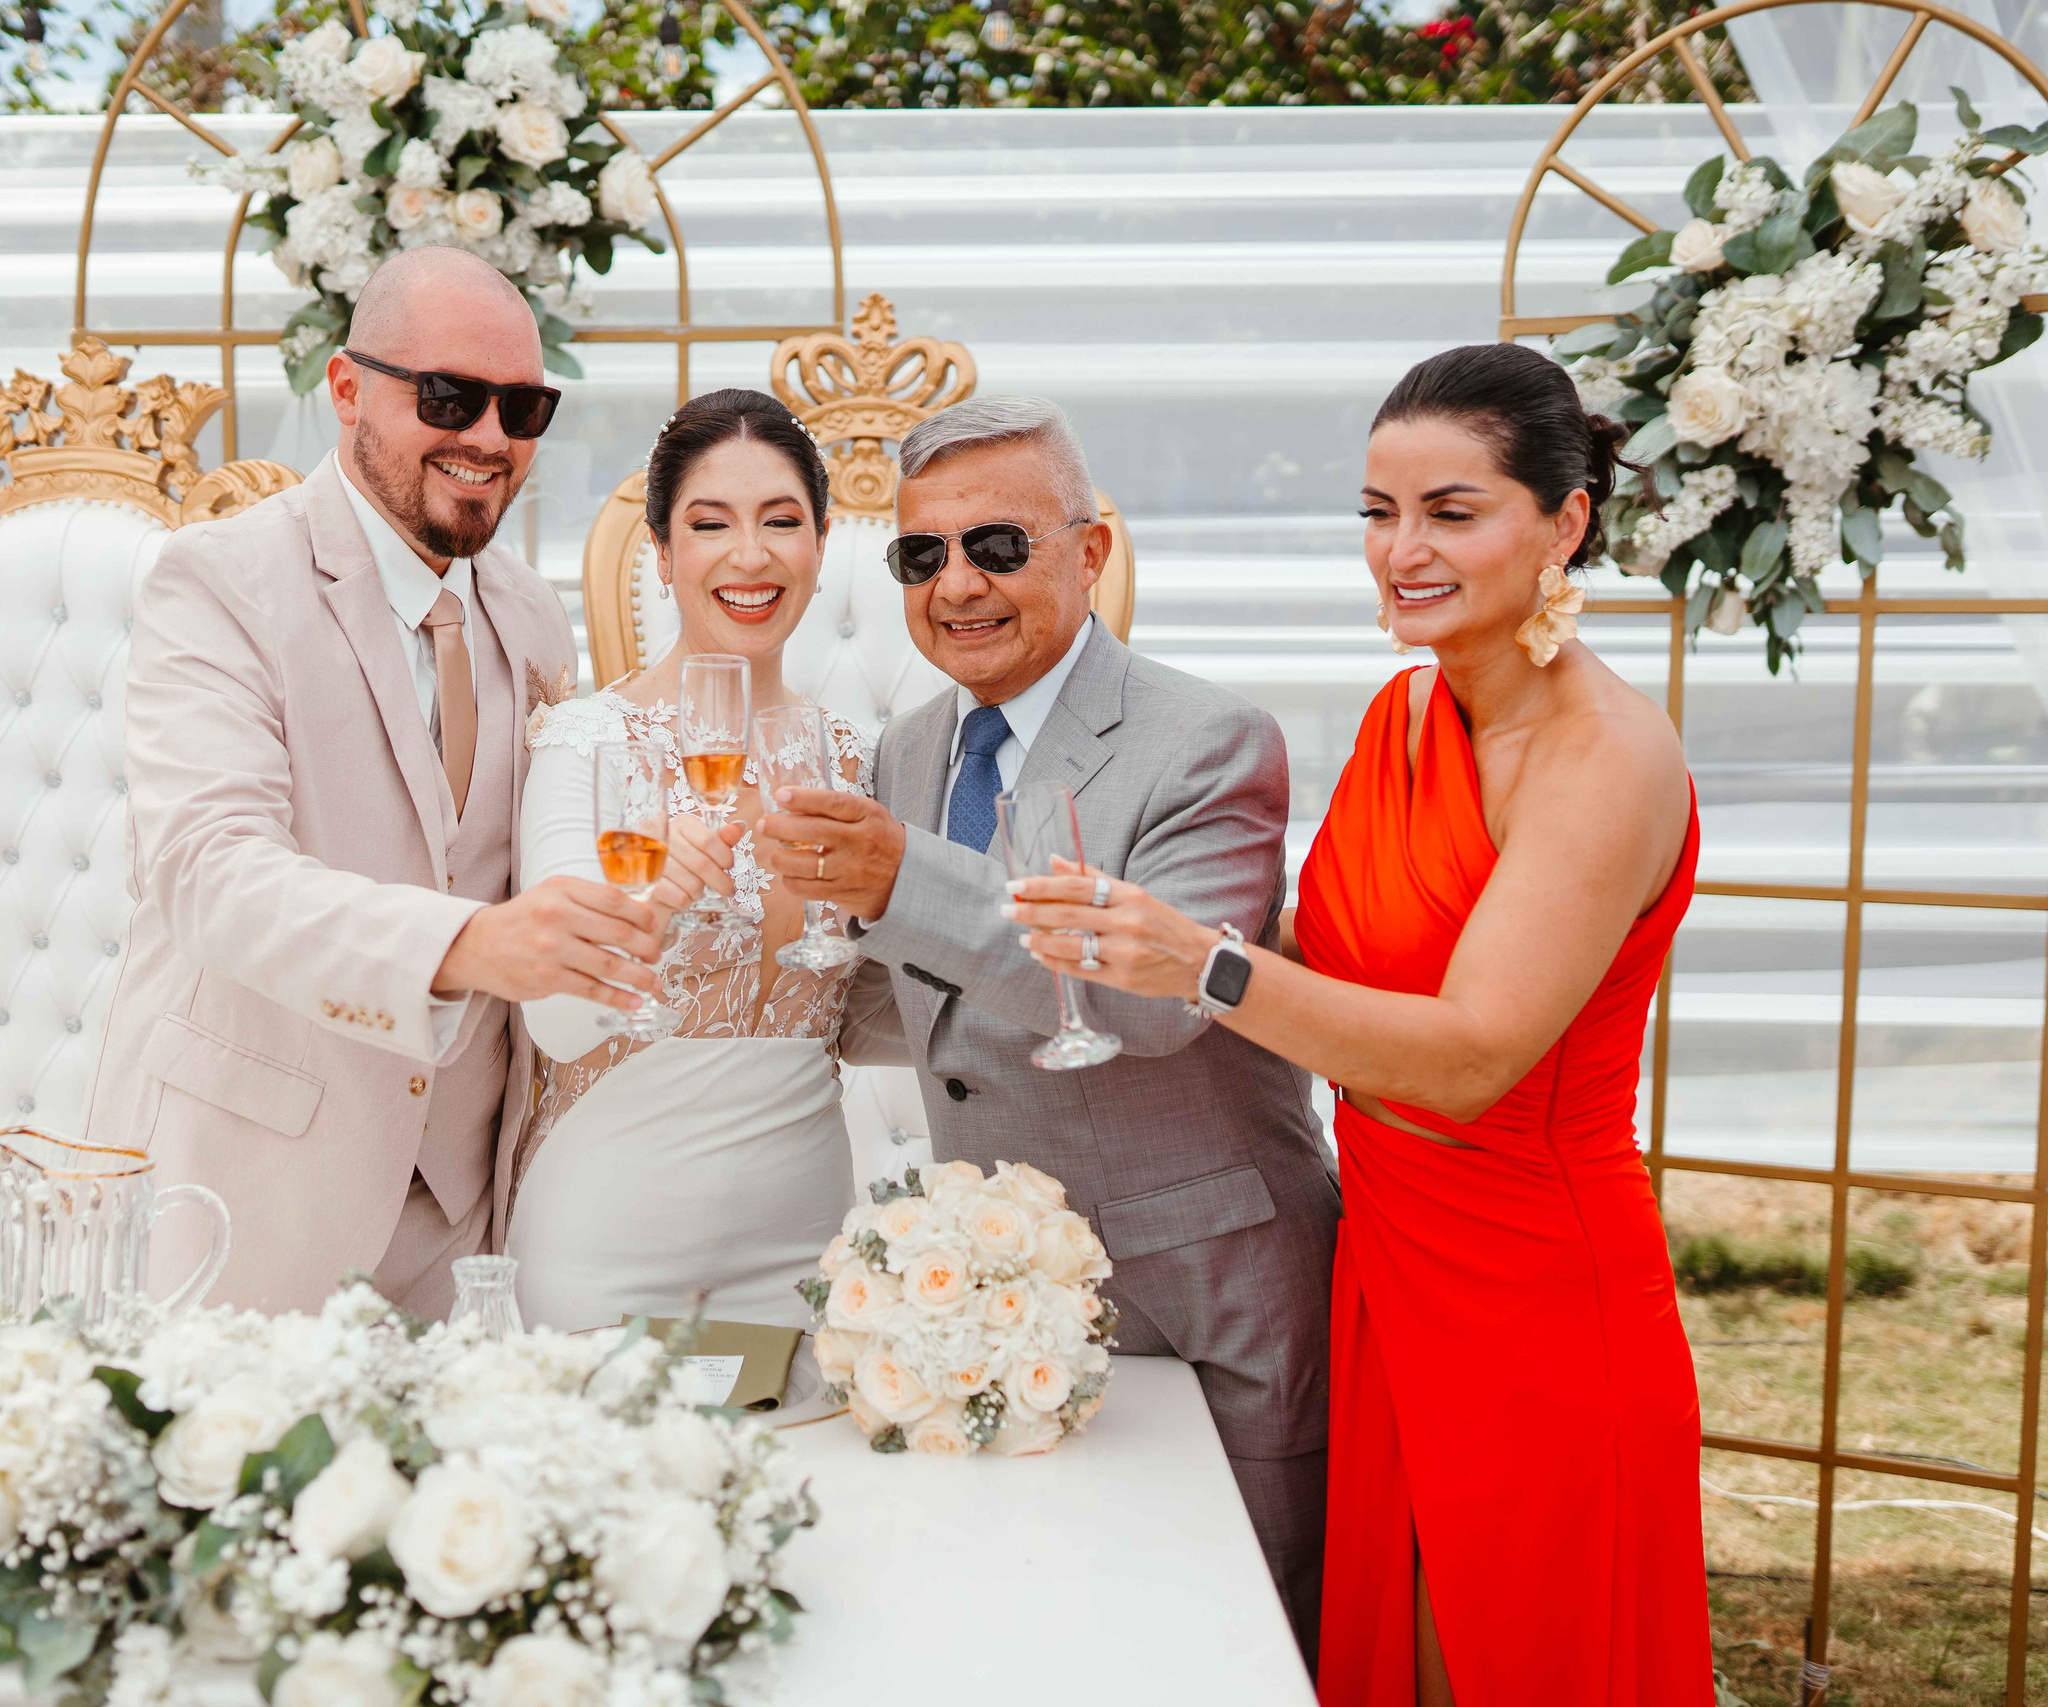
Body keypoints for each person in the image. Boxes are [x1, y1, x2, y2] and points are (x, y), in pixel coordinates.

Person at [1003, 344, 1709, 1706]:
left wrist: (1204, 964)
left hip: (1534, 1297)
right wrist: (1154, 918)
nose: (1402, 550)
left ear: (1563, 521)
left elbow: (1470, 1056)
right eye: (1379, 512)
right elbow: (1328, 968)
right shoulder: (1407, 711)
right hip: (1384, 1259)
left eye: (1452, 511)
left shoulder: (1605, 757)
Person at [761, 395, 1342, 1665]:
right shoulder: (909, 752)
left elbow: (1151, 1005)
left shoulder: (1211, 742)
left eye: (996, 546)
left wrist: (899, 879)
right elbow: (921, 1009)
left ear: (1091, 551)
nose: (955, 584)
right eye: (921, 554)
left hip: (1206, 1304)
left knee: (1230, 1656)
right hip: (990, 1315)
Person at [85, 248, 671, 1320]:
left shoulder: (532, 615)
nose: (489, 438)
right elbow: (209, 871)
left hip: (466, 1235)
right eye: (448, 397)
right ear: (347, 389)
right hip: (245, 1201)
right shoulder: (218, 581)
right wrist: (464, 947)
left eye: (523, 408)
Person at [505, 388, 864, 1331]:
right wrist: (653, 899)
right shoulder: (589, 745)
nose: (751, 555)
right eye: (710, 524)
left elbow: (888, 1013)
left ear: (820, 544)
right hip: (608, 1246)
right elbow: (555, 1022)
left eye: (781, 521)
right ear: (663, 554)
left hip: (812, 1256)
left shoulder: (855, 760)